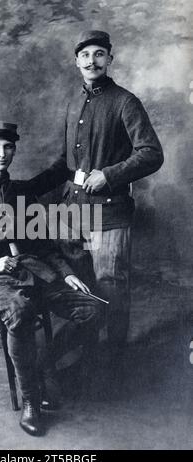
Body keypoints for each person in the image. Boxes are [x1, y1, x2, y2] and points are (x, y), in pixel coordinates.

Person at [0, 120, 104, 437]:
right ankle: (31, 402)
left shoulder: (21, 193)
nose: (2, 153)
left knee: (93, 309)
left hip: (33, 272)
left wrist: (66, 275)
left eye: (8, 146)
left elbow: (41, 245)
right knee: (20, 312)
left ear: (14, 150)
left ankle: (41, 368)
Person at [27, 30, 164, 392]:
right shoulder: (73, 105)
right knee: (82, 289)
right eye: (85, 55)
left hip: (110, 215)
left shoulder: (125, 102)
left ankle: (113, 369)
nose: (92, 61)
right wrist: (25, 189)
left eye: (99, 54)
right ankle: (86, 361)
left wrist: (110, 175)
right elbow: (64, 165)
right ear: (76, 62)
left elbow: (151, 153)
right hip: (73, 214)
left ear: (110, 59)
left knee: (112, 291)